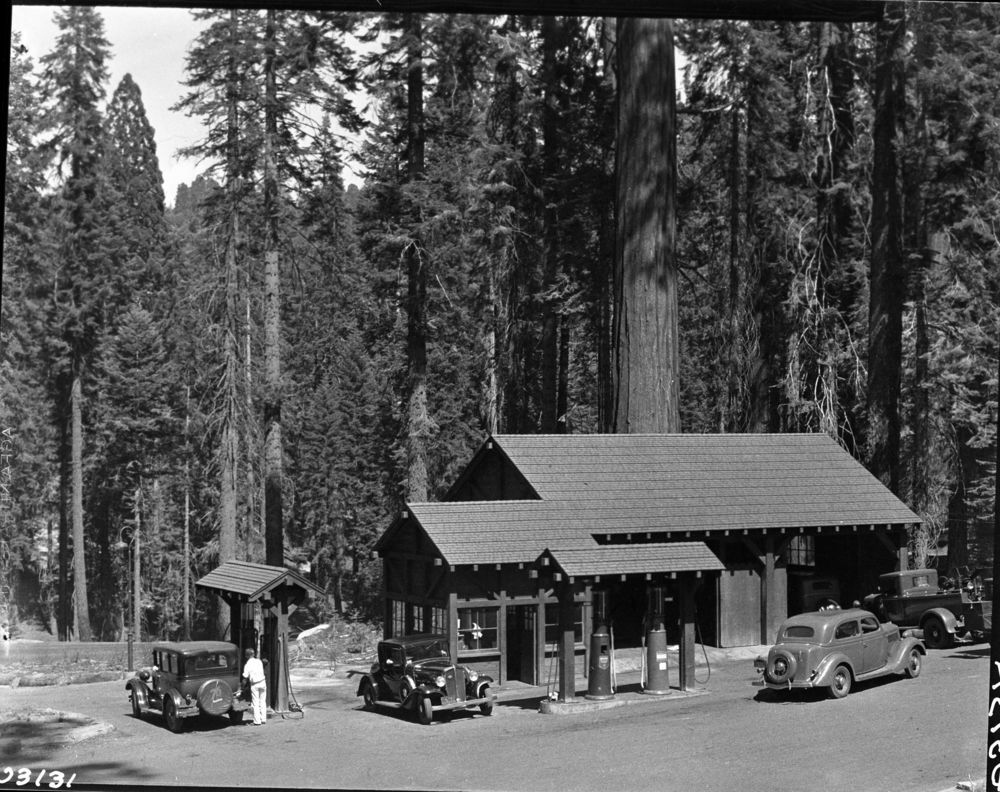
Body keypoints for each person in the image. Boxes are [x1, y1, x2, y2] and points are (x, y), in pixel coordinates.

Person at [242, 647, 267, 725]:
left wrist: (241, 687)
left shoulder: (247, 665)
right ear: (253, 654)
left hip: (255, 684)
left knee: (255, 703)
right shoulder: (259, 661)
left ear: (246, 656)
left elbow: (245, 677)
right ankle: (263, 719)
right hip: (263, 682)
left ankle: (257, 721)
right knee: (262, 701)